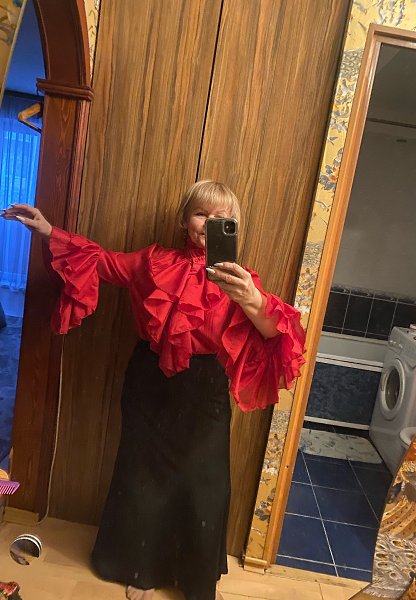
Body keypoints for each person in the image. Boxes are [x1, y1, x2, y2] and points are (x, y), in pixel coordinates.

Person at [1, 181, 306, 600]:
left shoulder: (241, 279)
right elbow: (101, 261)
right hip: (149, 381)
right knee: (142, 475)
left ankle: (194, 579)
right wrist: (48, 230)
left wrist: (251, 298)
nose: (210, 224)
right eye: (202, 214)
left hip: (205, 390)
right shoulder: (152, 262)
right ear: (184, 219)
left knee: (205, 484)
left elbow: (277, 334)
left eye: (222, 219)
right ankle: (138, 568)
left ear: (235, 226)